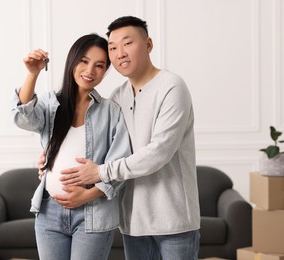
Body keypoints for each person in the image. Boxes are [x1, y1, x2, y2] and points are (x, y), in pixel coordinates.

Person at [54, 16, 201, 259]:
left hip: (174, 222)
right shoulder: (116, 98)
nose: (119, 53)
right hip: (133, 222)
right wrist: (51, 158)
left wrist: (101, 172)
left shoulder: (172, 86)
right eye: (112, 48)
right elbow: (96, 145)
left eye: (127, 43)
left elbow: (159, 152)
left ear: (148, 44)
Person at [11, 33, 131, 260]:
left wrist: (87, 195)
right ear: (72, 61)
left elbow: (120, 164)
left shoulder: (111, 111)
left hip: (93, 213)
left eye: (99, 66)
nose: (90, 71)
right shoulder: (49, 103)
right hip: (49, 213)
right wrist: (33, 73)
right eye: (84, 61)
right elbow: (23, 118)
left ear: (106, 71)